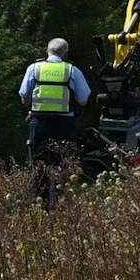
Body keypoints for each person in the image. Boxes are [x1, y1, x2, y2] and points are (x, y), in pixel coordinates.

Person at [17, 37, 91, 205]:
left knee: (38, 166)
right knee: (61, 167)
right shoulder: (72, 71)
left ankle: (39, 207)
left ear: (47, 51)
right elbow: (83, 100)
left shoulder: (34, 69)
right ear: (66, 53)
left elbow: (24, 98)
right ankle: (57, 208)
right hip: (64, 126)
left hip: (39, 125)